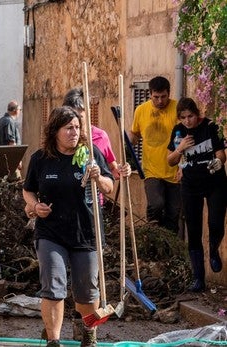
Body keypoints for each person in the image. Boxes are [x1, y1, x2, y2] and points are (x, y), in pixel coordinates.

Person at [22, 106, 114, 347]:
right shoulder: (40, 159)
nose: (74, 132)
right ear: (55, 131)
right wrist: (35, 206)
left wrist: (98, 177)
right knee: (53, 285)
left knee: (87, 291)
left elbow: (109, 187)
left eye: (77, 127)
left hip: (86, 232)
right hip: (51, 232)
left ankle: (89, 332)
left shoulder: (90, 154)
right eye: (68, 128)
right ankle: (54, 340)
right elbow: (28, 189)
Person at [62, 87, 131, 340]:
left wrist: (122, 170)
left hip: (93, 209)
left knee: (89, 273)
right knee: (64, 274)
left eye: (81, 114)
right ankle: (64, 323)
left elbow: (112, 169)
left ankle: (88, 330)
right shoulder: (60, 139)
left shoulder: (100, 136)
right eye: (73, 116)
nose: (78, 122)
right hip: (65, 212)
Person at [167, 98, 226, 292]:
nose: (187, 121)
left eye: (190, 116)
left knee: (216, 222)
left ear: (197, 113)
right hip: (190, 185)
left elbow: (221, 154)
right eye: (183, 117)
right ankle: (198, 277)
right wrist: (180, 147)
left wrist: (218, 163)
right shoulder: (178, 132)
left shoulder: (210, 126)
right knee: (193, 229)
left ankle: (214, 249)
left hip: (214, 183)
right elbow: (170, 161)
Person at [129, 76, 180, 234]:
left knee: (173, 215)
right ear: (150, 94)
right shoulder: (141, 110)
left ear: (169, 94)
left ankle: (170, 251)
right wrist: (128, 144)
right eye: (155, 97)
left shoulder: (177, 109)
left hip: (174, 172)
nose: (159, 101)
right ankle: (153, 237)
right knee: (156, 204)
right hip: (151, 170)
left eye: (163, 97)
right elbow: (135, 134)